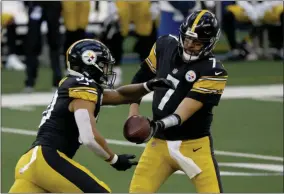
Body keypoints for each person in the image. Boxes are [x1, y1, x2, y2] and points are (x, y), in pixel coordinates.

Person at [8, 39, 174, 193]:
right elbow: (89, 137)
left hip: (31, 162)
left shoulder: (76, 85)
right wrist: (114, 159)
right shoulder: (82, 88)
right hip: (47, 159)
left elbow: (121, 95)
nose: (106, 69)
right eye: (103, 64)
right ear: (89, 63)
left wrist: (147, 86)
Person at [128, 10, 228, 193]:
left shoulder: (213, 71)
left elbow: (183, 112)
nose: (189, 45)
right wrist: (133, 113)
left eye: (197, 42)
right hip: (159, 144)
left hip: (194, 146)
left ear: (210, 43)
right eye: (188, 39)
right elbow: (139, 81)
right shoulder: (164, 45)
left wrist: (155, 126)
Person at [24, 1, 62, 93]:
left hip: (52, 5)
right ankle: (30, 82)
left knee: (54, 43)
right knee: (33, 43)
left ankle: (57, 82)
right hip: (36, 4)